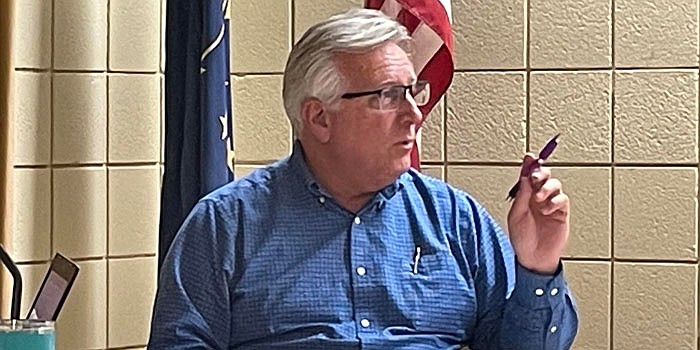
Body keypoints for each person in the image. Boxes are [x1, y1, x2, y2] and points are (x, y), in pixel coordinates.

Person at [148, 8, 578, 350]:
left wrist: (537, 265)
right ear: (319, 117)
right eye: (389, 96)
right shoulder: (227, 225)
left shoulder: (454, 219)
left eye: (414, 91)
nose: (414, 114)